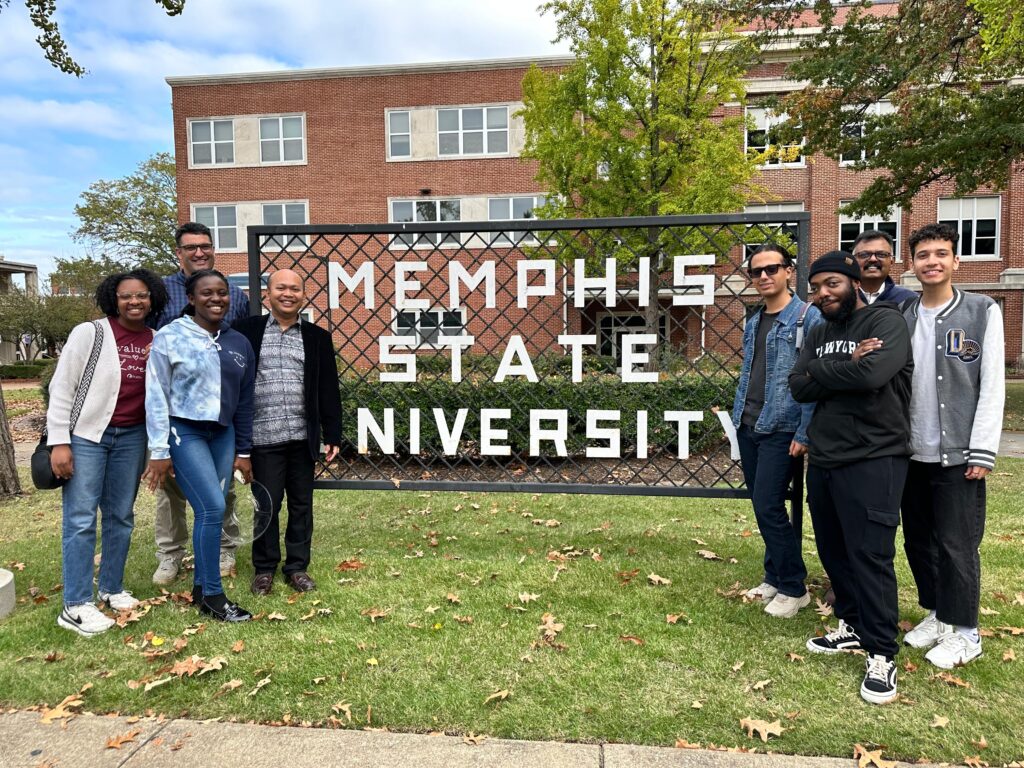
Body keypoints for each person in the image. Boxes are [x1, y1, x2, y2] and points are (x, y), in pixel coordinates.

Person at [788, 251, 913, 705]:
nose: (823, 294)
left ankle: (882, 650)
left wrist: (825, 372)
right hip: (826, 457)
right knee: (834, 550)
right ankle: (854, 626)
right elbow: (798, 384)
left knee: (870, 554)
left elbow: (874, 374)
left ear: (853, 282)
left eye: (832, 285)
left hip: (875, 457)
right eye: (816, 287)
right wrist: (844, 368)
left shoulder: (887, 322)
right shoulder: (819, 331)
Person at [899, 223, 1005, 669]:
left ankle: (967, 631)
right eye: (924, 255)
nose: (932, 262)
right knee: (918, 540)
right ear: (912, 263)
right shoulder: (903, 317)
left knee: (957, 543)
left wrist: (982, 449)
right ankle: (938, 614)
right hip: (909, 452)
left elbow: (992, 384)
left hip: (958, 453)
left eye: (941, 253)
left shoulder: (981, 311)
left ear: (955, 261)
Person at [48, 269, 168, 636]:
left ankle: (112, 587)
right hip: (87, 436)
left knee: (121, 516)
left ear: (153, 299)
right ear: (113, 299)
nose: (135, 301)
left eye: (142, 295)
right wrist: (59, 441)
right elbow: (62, 386)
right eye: (126, 296)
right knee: (81, 518)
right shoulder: (92, 333)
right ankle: (76, 603)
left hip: (132, 437)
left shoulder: (157, 339)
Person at [143, 269, 255, 622]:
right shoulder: (170, 337)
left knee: (214, 509)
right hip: (184, 431)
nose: (216, 299)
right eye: (207, 293)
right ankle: (213, 596)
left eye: (222, 292)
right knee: (210, 507)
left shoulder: (238, 342)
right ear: (191, 298)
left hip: (222, 435)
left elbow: (245, 399)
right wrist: (159, 451)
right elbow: (156, 395)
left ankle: (199, 588)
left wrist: (245, 450)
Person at [233, 269, 342, 595]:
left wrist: (333, 433)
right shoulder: (245, 332)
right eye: (281, 287)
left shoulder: (317, 337)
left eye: (295, 288)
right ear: (268, 294)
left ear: (303, 295)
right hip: (262, 439)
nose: (288, 293)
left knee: (301, 505)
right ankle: (264, 569)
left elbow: (328, 388)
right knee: (266, 506)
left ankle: (296, 567)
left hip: (301, 437)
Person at [731, 243, 822, 618]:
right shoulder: (754, 321)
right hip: (749, 423)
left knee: (769, 506)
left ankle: (793, 585)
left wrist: (804, 432)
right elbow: (750, 374)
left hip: (781, 429)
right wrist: (738, 418)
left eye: (772, 268)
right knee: (761, 504)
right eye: (757, 271)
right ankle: (773, 575)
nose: (764, 276)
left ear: (789, 271)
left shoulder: (807, 318)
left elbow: (815, 380)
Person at [851, 229, 916, 306]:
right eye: (864, 254)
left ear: (892, 262)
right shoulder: (842, 297)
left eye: (881, 254)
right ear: (854, 260)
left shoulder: (908, 300)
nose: (873, 259)